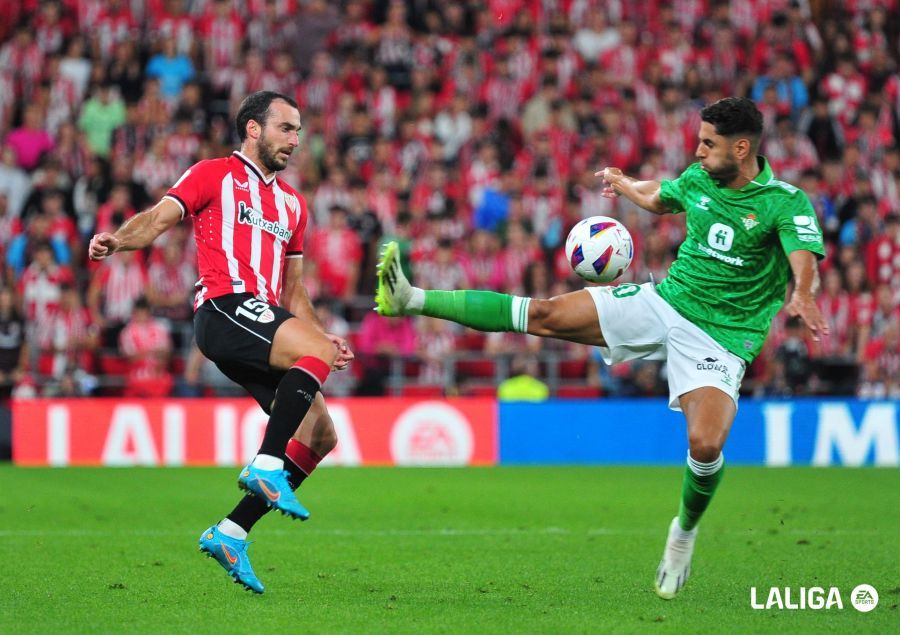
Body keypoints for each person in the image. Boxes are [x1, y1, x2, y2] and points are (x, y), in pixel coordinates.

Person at [375, 97, 828, 600]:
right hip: (666, 302)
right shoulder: (701, 179)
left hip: (722, 338)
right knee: (544, 313)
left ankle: (683, 535)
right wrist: (624, 183)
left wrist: (803, 293)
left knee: (705, 445)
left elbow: (801, 254)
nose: (698, 151)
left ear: (742, 148)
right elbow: (661, 196)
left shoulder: (785, 202)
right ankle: (409, 297)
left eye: (708, 143)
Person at [89, 91, 354, 594]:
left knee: (321, 434)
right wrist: (115, 240)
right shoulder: (212, 174)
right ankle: (266, 464)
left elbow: (293, 288)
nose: (295, 140)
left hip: (265, 317)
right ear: (253, 129)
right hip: (222, 308)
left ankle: (231, 532)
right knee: (308, 366)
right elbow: (158, 219)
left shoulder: (294, 205)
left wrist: (322, 339)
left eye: (298, 131)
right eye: (285, 128)